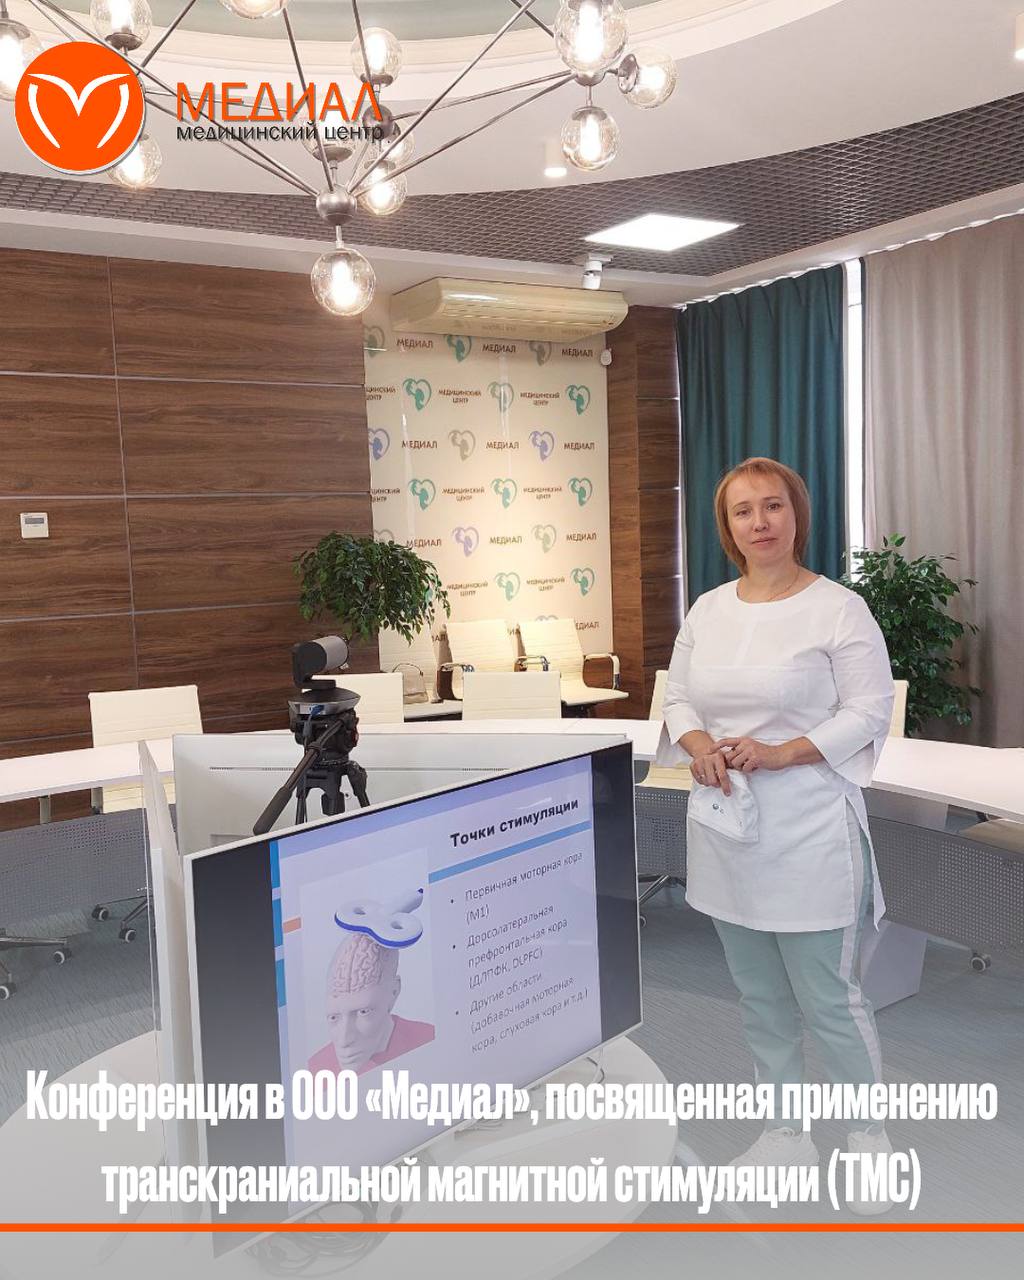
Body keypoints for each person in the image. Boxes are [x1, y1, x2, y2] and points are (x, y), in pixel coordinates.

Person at [658, 457, 895, 1214]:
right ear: (726, 527)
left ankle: (867, 1136)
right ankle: (786, 1131)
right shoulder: (707, 610)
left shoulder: (838, 610)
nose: (759, 522)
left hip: (810, 830)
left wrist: (782, 753)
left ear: (797, 514)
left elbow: (869, 710)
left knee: (828, 997)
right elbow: (678, 700)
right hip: (727, 828)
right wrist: (700, 748)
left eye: (772, 506)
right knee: (759, 997)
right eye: (742, 511)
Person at [308, 930, 434, 1075]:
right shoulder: (315, 1072)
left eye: (363, 1012)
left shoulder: (429, 1040)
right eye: (334, 1017)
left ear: (394, 991)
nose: (344, 1040)